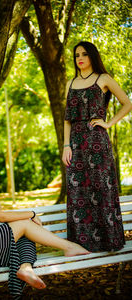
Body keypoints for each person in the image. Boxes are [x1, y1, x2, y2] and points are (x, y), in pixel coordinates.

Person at [0, 156, 90, 299]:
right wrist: (31, 214)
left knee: (25, 236)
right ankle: (69, 247)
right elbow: (1, 216)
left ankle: (25, 268)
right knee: (25, 223)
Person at [62, 41, 132, 253]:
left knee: (103, 189)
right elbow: (66, 119)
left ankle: (108, 242)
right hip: (75, 144)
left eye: (84, 54)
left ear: (92, 55)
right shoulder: (70, 83)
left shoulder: (104, 79)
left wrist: (108, 123)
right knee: (78, 192)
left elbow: (127, 104)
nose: (80, 58)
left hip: (97, 144)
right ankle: (82, 245)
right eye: (76, 55)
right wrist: (66, 145)